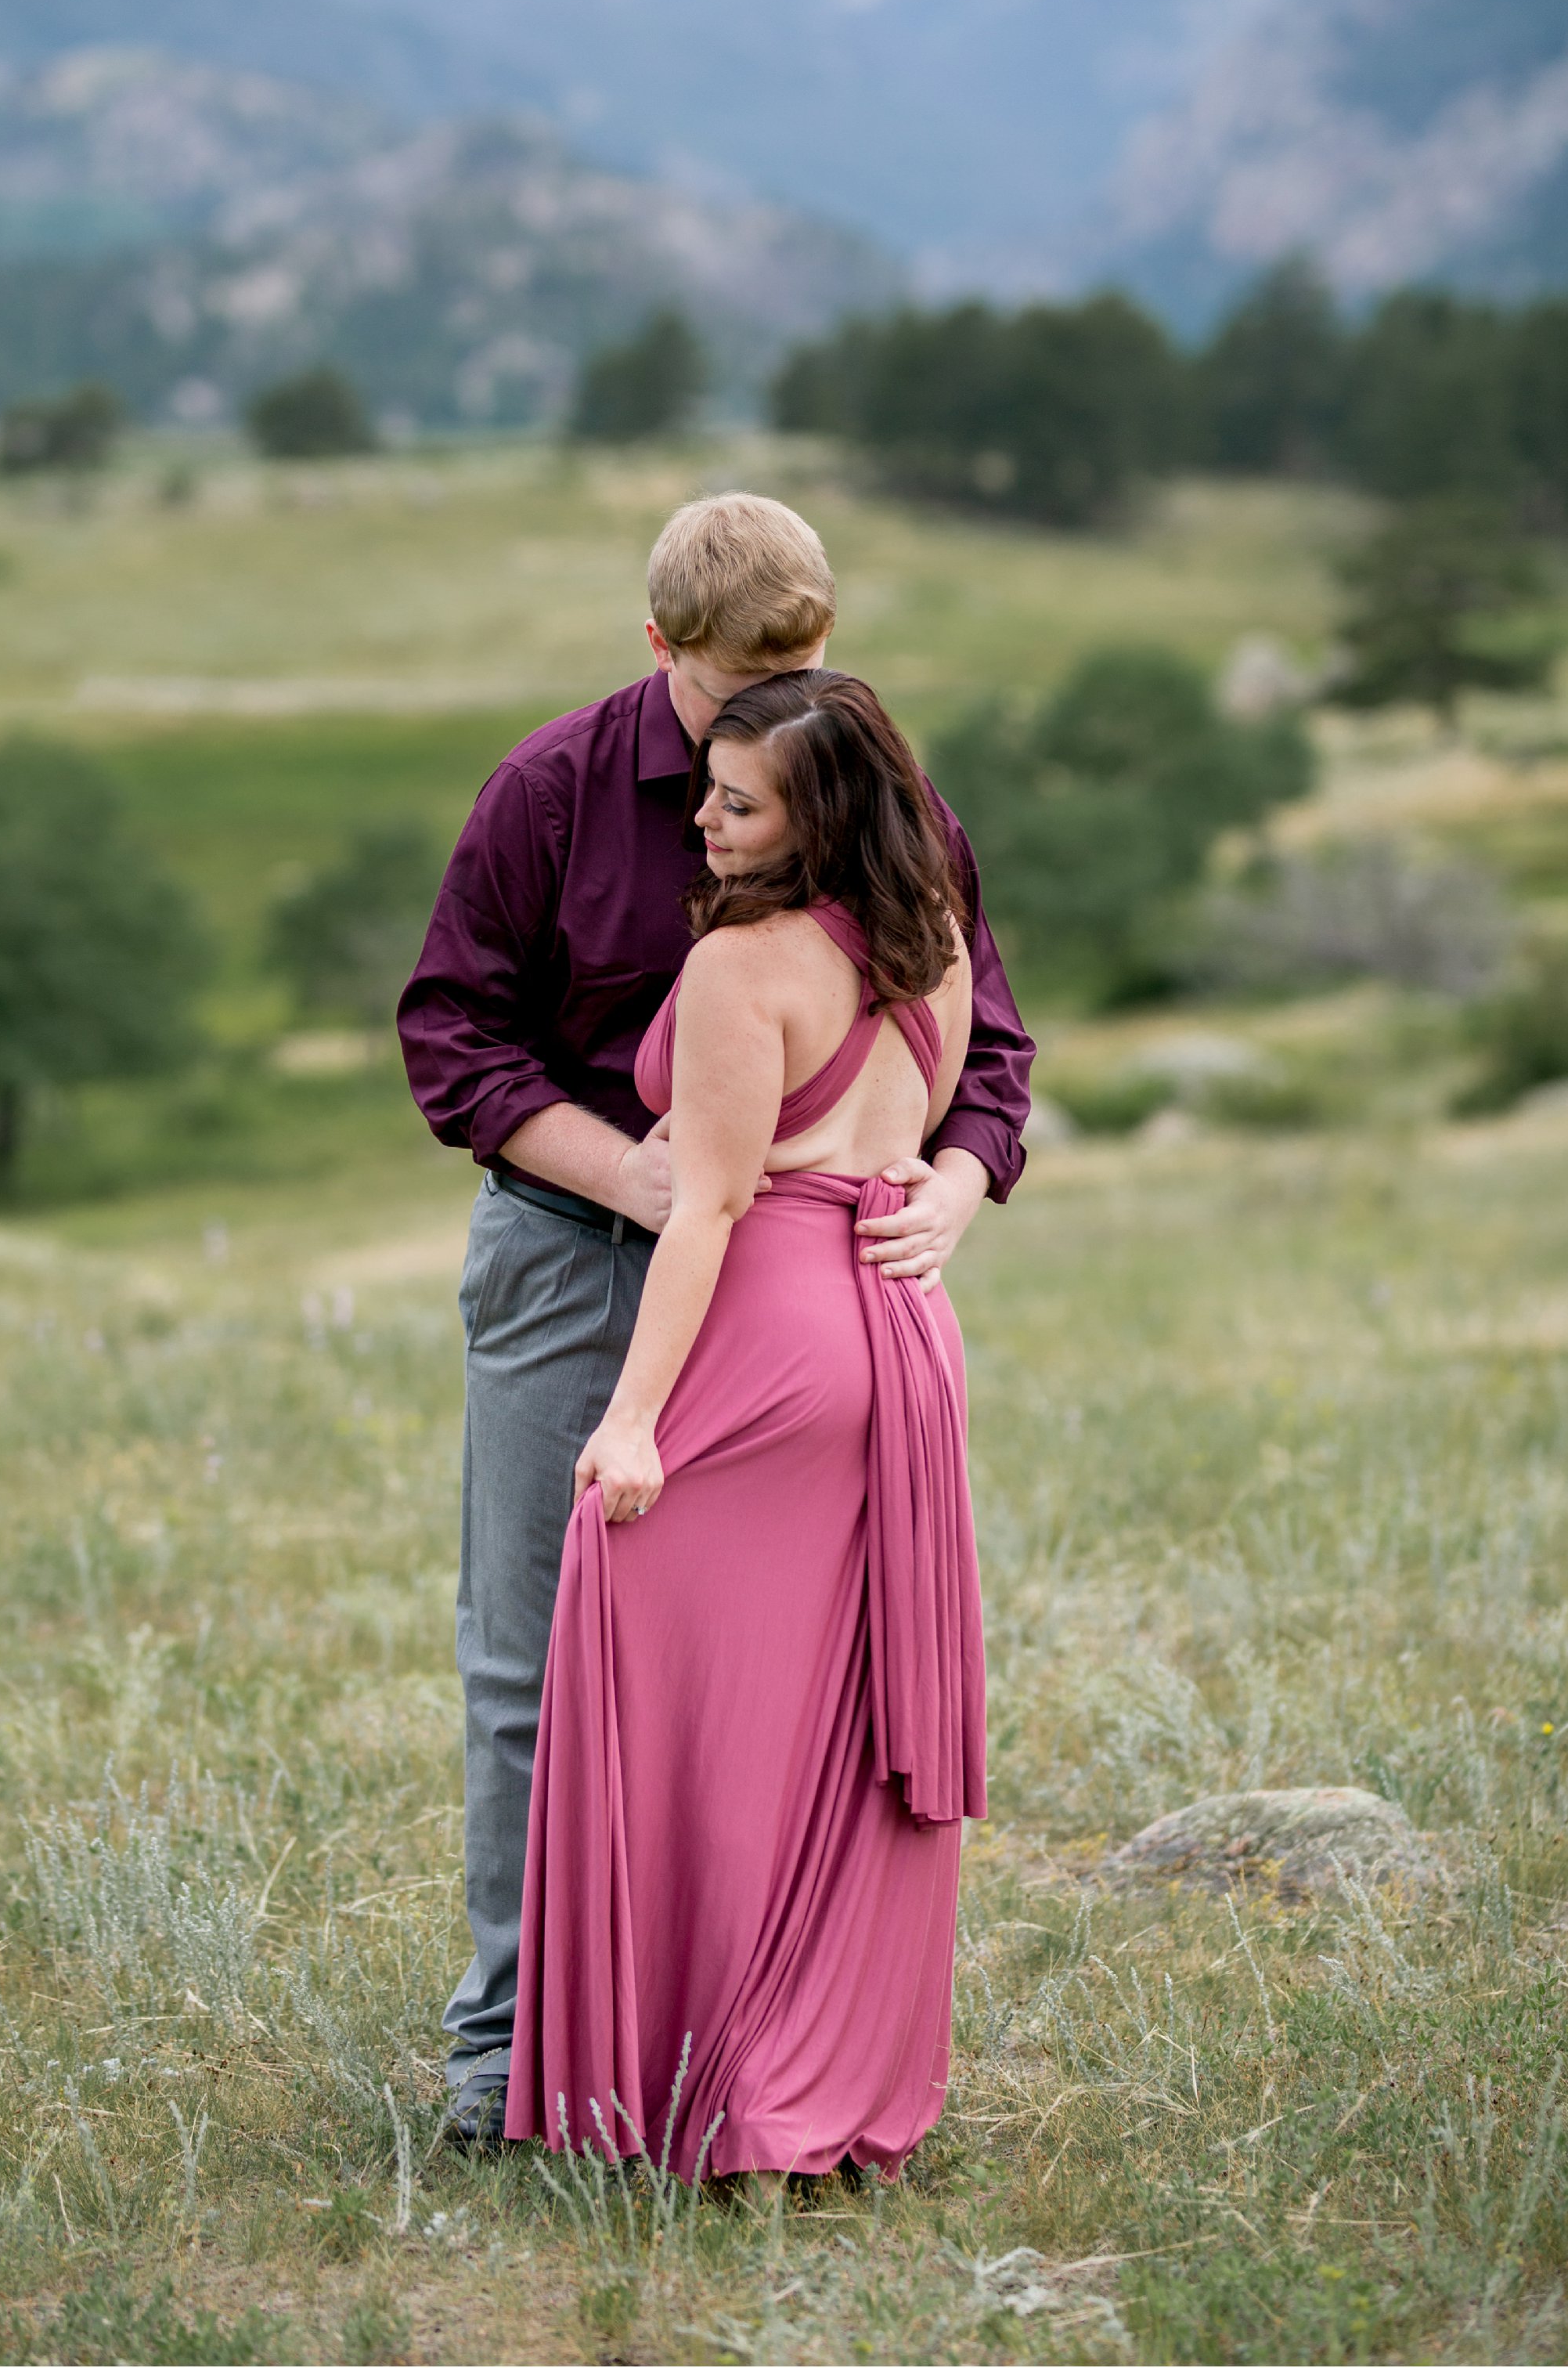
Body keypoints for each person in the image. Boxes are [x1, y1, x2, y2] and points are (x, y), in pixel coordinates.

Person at [399, 496, 1031, 2141]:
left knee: (767, 1676)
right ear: (659, 645)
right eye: (733, 691)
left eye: (803, 674)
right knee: (535, 1652)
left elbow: (991, 1044)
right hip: (574, 1256)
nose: (769, 722)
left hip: (795, 1292)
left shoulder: (871, 779)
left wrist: (959, 1178)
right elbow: (456, 1044)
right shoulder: (550, 791)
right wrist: (644, 1181)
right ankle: (506, 2049)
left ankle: (710, 2048)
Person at [504, 669, 990, 2177]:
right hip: (900, 1339)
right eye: (706, 790)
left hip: (773, 1337)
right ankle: (820, 2076)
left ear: (815, 815)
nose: (700, 820)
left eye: (736, 801)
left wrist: (633, 1420)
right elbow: (908, 1143)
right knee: (840, 1719)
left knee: (670, 1682)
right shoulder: (933, 952)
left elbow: (710, 1203)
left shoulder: (743, 970)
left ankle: (702, 2080)